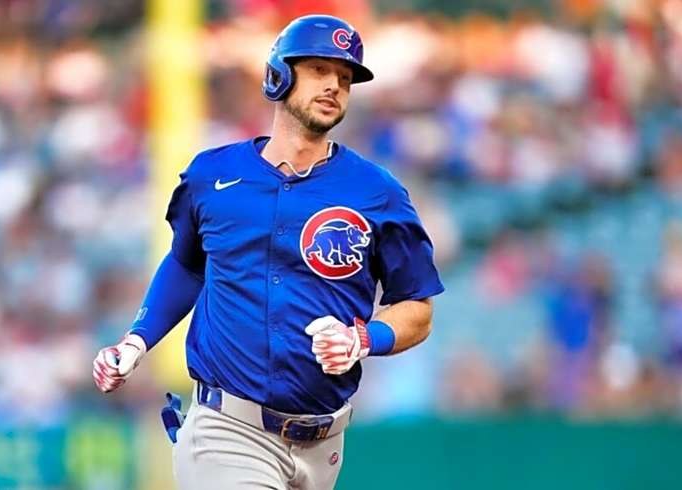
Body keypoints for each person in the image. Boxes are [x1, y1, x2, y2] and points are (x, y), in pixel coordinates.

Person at [92, 14, 444, 490]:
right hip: (228, 428)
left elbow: (417, 309)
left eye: (345, 78)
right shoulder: (212, 176)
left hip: (324, 444)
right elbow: (187, 265)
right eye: (319, 70)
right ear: (279, 75)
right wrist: (138, 340)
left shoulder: (377, 192)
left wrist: (364, 338)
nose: (334, 86)